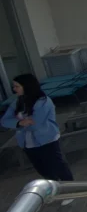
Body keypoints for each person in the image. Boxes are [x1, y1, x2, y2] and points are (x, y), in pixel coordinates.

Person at [1, 74, 74, 204]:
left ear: (26, 86)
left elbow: (36, 124)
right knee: (42, 169)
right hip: (28, 143)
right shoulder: (17, 102)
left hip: (47, 140)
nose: (14, 89)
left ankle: (70, 190)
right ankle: (54, 189)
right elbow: (4, 121)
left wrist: (18, 124)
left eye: (17, 86)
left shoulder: (43, 102)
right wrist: (21, 122)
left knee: (57, 166)